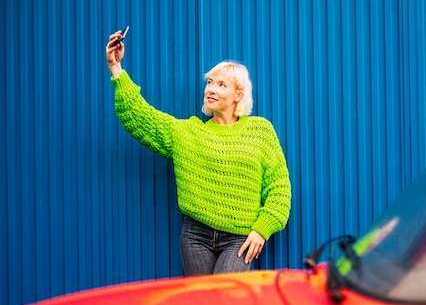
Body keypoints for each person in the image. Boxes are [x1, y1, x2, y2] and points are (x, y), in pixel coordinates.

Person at [105, 29, 291, 276]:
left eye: (221, 84)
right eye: (210, 83)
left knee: (225, 301)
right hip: (195, 237)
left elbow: (279, 188)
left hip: (240, 237)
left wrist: (262, 229)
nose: (211, 89)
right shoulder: (189, 133)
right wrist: (116, 68)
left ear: (238, 95)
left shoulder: (260, 132)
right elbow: (140, 117)